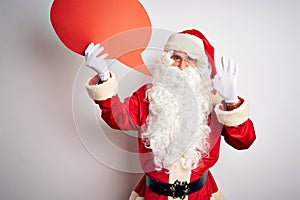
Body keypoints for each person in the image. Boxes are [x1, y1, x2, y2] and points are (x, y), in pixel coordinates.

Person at [84, 29, 256, 200]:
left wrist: (232, 100)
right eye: (176, 58)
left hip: (199, 195)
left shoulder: (214, 102)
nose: (182, 66)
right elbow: (118, 119)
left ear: (200, 65)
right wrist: (104, 76)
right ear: (166, 61)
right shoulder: (150, 95)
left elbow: (244, 142)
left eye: (190, 60)